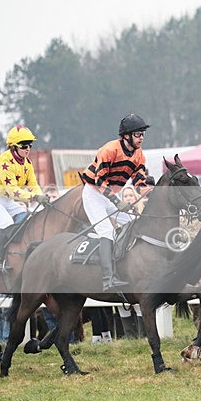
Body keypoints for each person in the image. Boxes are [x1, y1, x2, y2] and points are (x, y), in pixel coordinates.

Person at [81, 114, 150, 291]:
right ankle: (108, 279)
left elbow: (139, 182)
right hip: (94, 194)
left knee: (132, 223)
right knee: (107, 231)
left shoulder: (139, 154)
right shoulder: (109, 150)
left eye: (142, 134)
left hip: (110, 195)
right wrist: (116, 201)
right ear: (126, 136)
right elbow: (99, 181)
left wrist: (151, 194)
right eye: (138, 134)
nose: (141, 137)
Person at [0, 125, 46, 276]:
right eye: (24, 145)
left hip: (8, 201)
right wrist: (35, 197)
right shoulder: (4, 161)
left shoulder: (27, 163)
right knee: (6, 223)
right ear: (13, 146)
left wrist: (41, 197)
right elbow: (12, 190)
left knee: (27, 218)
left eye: (30, 145)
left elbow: (33, 185)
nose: (28, 148)